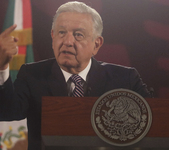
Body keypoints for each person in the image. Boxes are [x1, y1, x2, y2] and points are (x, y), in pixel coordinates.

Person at [0, 1, 150, 150]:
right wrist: (1, 67)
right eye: (61, 32)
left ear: (96, 44)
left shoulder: (125, 79)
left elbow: (156, 121)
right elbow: (7, 112)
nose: (68, 41)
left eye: (78, 35)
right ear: (53, 37)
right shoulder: (32, 75)